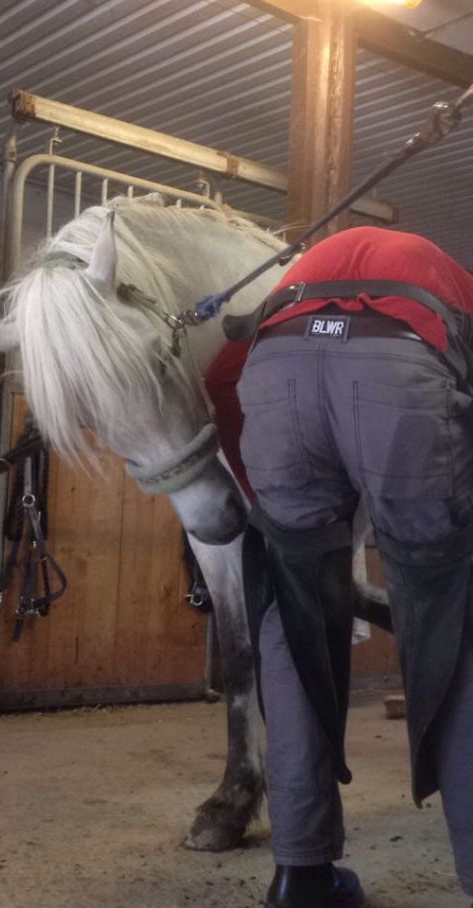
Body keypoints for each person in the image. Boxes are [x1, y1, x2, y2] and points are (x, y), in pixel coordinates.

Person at [205, 226, 473, 907]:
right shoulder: (453, 288)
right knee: (450, 613)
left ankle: (301, 873)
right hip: (399, 373)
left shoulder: (298, 280)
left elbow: (220, 374)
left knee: (294, 615)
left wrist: (269, 508)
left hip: (272, 373)